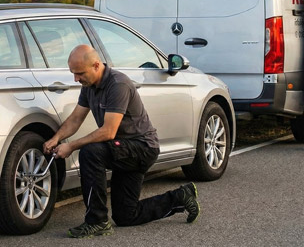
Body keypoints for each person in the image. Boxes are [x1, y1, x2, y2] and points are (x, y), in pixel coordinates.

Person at [43, 44, 200, 238]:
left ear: (96, 65)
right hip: (122, 150)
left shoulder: (118, 84)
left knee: (90, 153)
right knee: (126, 215)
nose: (76, 78)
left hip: (141, 148)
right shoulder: (89, 86)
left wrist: (71, 146)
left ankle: (97, 221)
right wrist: (56, 138)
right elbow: (76, 118)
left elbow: (108, 132)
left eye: (80, 73)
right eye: (73, 73)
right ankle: (181, 197)